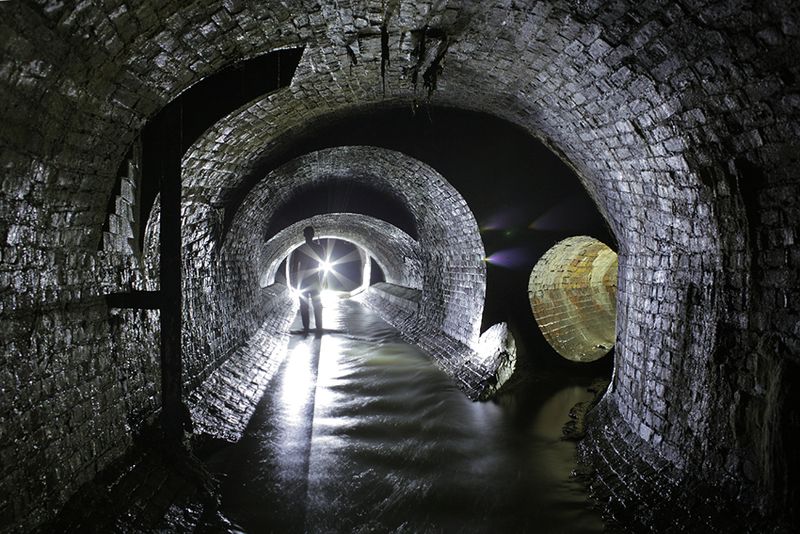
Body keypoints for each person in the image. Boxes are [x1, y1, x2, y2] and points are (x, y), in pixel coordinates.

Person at [290, 226, 325, 335]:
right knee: (317, 305)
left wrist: (294, 281)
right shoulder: (319, 248)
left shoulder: (300, 249)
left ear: (304, 235)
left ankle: (306, 329)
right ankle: (319, 328)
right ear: (313, 235)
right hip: (314, 280)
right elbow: (323, 263)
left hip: (304, 280)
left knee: (305, 306)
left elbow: (295, 267)